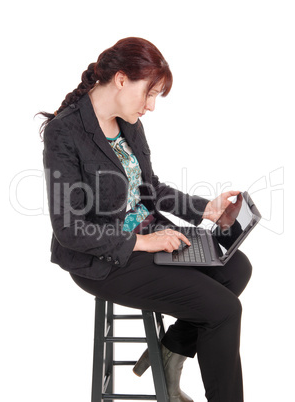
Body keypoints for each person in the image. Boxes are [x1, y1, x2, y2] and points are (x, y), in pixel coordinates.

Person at [39, 37, 252, 402]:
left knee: (236, 268)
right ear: (121, 79)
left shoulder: (129, 121)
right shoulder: (65, 133)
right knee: (223, 309)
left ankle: (171, 354)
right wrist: (142, 241)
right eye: (148, 94)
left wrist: (206, 209)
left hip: (149, 235)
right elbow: (69, 229)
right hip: (106, 260)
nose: (151, 106)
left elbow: (149, 187)